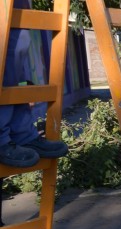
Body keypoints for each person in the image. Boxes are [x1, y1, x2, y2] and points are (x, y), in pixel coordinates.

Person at [0, 0, 69, 168]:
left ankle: (21, 134)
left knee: (16, 59)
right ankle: (3, 138)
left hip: (17, 8)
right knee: (6, 64)